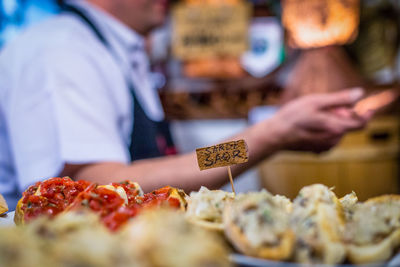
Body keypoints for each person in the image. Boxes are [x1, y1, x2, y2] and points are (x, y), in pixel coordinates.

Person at [0, 0, 370, 209]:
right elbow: (96, 185)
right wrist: (267, 136)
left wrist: (266, 135)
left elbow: (176, 167)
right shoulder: (62, 49)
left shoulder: (118, 52)